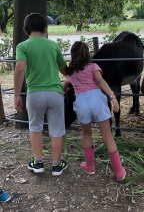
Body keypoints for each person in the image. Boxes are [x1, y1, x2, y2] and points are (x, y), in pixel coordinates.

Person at [14, 13, 68, 176]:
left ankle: (38, 163)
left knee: (35, 127)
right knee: (57, 129)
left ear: (26, 30)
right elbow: (64, 69)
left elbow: (20, 69)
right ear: (45, 28)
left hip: (35, 93)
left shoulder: (22, 46)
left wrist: (17, 95)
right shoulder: (53, 46)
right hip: (55, 93)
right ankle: (57, 165)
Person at [63, 41, 126, 181]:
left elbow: (65, 86)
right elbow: (101, 81)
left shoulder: (71, 71)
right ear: (87, 54)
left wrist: (64, 90)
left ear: (72, 55)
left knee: (86, 133)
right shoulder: (93, 67)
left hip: (80, 101)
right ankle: (119, 171)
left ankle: (89, 166)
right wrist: (113, 96)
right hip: (97, 99)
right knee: (107, 135)